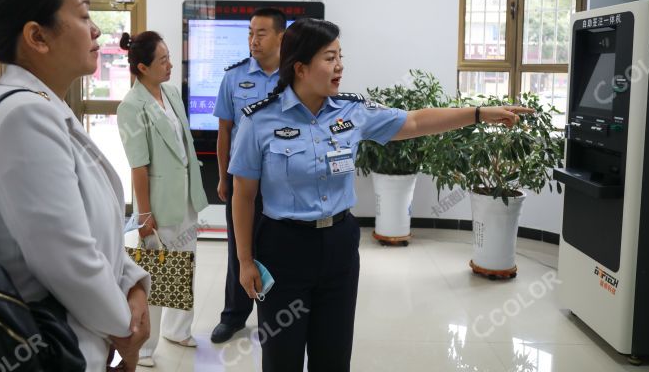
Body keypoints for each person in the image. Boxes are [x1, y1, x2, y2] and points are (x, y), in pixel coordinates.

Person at [228, 18, 534, 371]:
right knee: (282, 356)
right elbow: (243, 195)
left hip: (339, 244)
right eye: (330, 58)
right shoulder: (259, 121)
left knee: (334, 353)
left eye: (340, 56)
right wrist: (246, 261)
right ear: (300, 67)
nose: (340, 66)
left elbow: (416, 122)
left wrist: (479, 114)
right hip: (283, 248)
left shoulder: (352, 112)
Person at [0, 0, 150, 372]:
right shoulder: (22, 117)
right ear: (37, 36)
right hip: (43, 348)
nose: (96, 30)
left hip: (72, 339)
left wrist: (132, 284)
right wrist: (127, 328)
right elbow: (67, 259)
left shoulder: (42, 108)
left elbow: (91, 233)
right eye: (84, 14)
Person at [117, 30, 208, 367]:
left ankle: (177, 329)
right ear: (142, 67)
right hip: (157, 201)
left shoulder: (170, 92)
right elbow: (138, 166)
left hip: (185, 194)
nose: (170, 65)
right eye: (163, 60)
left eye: (170, 57)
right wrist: (143, 215)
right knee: (154, 273)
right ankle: (143, 346)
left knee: (184, 264)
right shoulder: (131, 106)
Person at [211, 7, 285, 344]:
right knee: (240, 251)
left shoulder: (296, 76)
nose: (253, 40)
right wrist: (224, 177)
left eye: (261, 33)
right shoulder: (233, 77)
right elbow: (224, 131)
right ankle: (234, 316)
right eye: (250, 33)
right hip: (244, 182)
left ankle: (279, 315)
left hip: (283, 182)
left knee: (281, 248)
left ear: (281, 37)